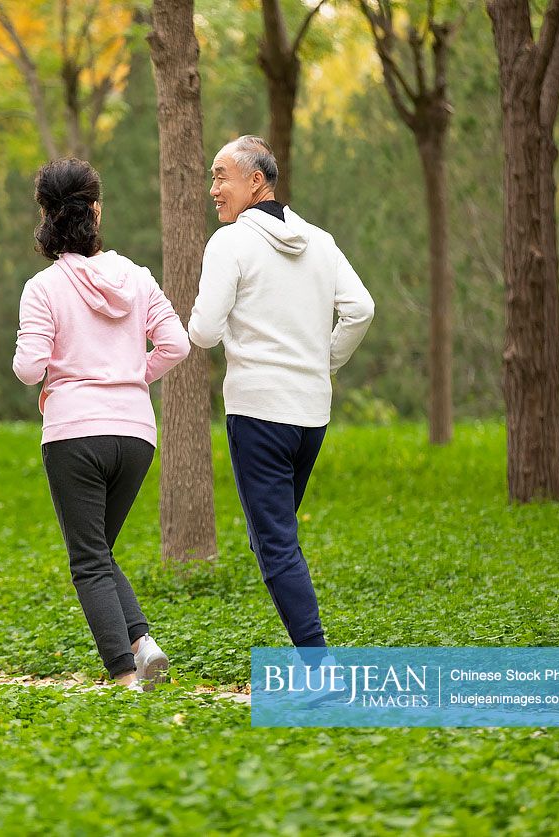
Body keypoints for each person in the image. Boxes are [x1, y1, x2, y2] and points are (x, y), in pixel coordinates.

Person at [189, 136, 374, 676]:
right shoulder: (319, 240)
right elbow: (360, 309)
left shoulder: (229, 244)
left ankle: (320, 668)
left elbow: (202, 332)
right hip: (311, 416)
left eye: (222, 176)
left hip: (259, 412)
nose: (213, 188)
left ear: (256, 181)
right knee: (271, 533)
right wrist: (325, 363)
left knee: (275, 544)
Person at [13, 158, 190, 691]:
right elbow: (177, 346)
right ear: (96, 209)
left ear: (46, 214)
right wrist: (133, 376)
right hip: (135, 435)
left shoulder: (42, 288)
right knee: (99, 550)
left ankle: (123, 676)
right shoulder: (138, 279)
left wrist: (59, 368)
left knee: (87, 560)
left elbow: (27, 369)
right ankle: (144, 643)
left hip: (74, 435)